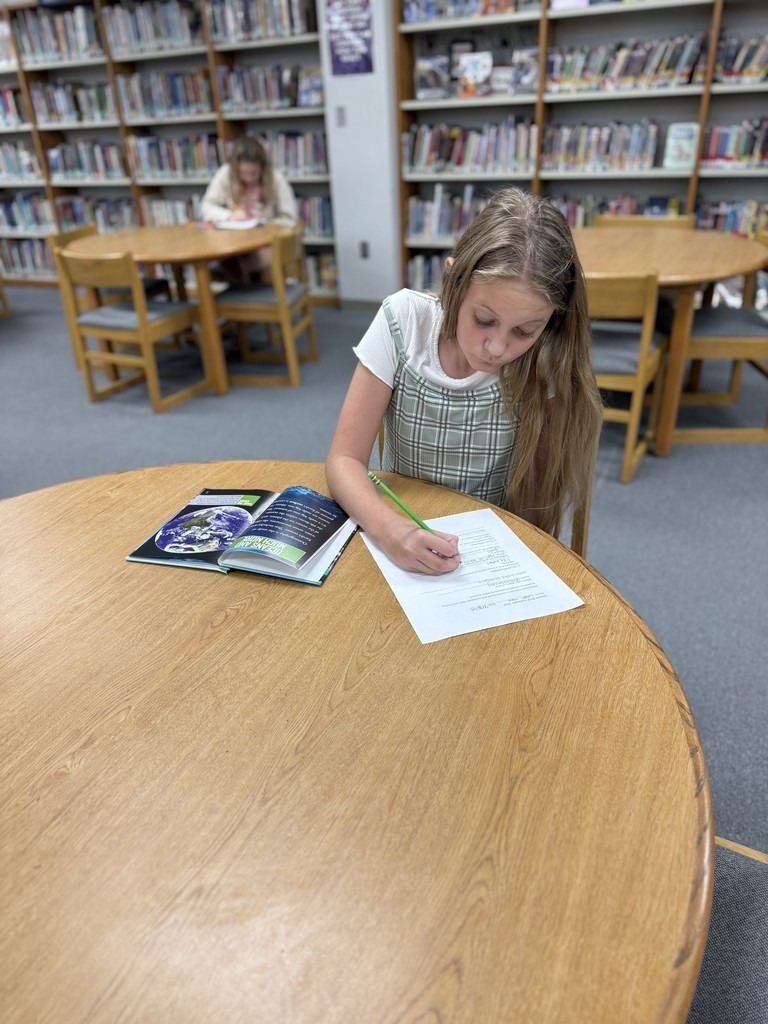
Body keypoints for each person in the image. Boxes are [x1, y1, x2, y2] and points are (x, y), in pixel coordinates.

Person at [325, 186, 603, 576]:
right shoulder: (404, 321)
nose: (496, 347)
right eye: (484, 320)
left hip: (480, 557)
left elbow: (536, 505)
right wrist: (391, 531)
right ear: (454, 279)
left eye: (524, 330)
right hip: (392, 529)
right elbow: (343, 460)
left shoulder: (544, 360)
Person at [201, 135, 299, 282]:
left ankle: (241, 293)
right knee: (228, 257)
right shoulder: (225, 173)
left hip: (267, 241)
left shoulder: (275, 177)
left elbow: (289, 217)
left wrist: (266, 224)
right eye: (243, 173)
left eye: (254, 173)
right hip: (234, 240)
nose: (249, 178)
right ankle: (240, 294)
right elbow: (207, 206)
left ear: (262, 168)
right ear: (235, 169)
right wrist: (230, 216)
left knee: (238, 264)